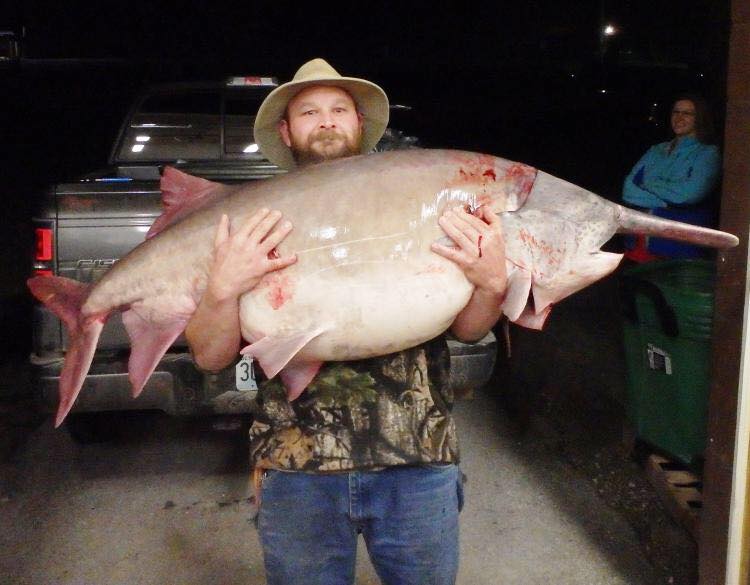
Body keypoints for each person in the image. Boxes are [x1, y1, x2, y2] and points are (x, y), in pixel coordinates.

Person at [184, 58, 507, 585]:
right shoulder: (252, 222)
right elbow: (210, 356)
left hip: (418, 459)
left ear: (360, 124)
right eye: (309, 111)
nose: (326, 120)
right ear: (287, 131)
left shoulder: (424, 202)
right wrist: (222, 287)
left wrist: (492, 284)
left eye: (339, 109)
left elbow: (469, 330)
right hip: (297, 468)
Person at [621, 94, 721, 260]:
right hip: (636, 245)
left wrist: (648, 184)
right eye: (676, 112)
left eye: (687, 113)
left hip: (677, 249)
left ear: (700, 118)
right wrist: (667, 200)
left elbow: (688, 195)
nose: (679, 117)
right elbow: (628, 190)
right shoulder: (656, 150)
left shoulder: (707, 153)